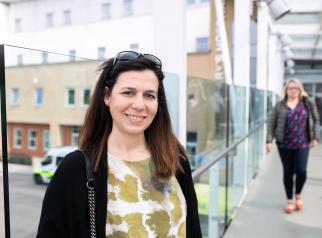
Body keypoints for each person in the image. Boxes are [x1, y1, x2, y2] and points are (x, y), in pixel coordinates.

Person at [37, 51, 202, 238]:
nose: (139, 105)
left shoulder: (176, 162)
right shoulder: (76, 168)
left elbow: (194, 230)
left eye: (149, 95)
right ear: (107, 96)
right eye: (128, 92)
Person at [266, 78, 320, 214]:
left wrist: (315, 137)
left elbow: (316, 119)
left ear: (300, 89)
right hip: (284, 144)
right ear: (286, 90)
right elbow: (271, 123)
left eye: (295, 88)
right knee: (288, 172)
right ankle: (289, 199)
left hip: (303, 143)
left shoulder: (307, 103)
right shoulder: (280, 105)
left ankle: (299, 194)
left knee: (301, 171)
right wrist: (269, 140)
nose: (293, 90)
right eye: (290, 88)